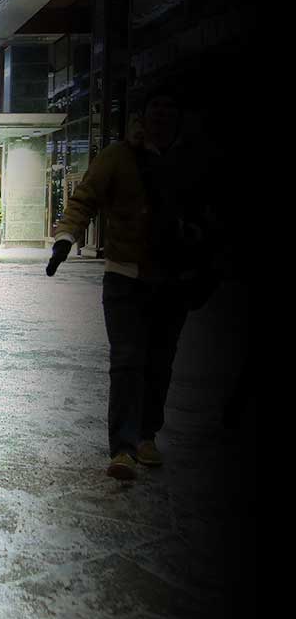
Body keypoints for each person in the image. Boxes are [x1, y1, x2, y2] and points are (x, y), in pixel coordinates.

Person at [47, 88, 216, 481]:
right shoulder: (118, 157)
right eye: (156, 106)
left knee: (160, 361)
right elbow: (84, 199)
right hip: (124, 277)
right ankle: (122, 447)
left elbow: (212, 212)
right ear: (142, 115)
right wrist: (65, 238)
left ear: (179, 117)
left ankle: (145, 435)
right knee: (126, 361)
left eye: (169, 106)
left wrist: (208, 260)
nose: (162, 113)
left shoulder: (191, 162)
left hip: (172, 280)